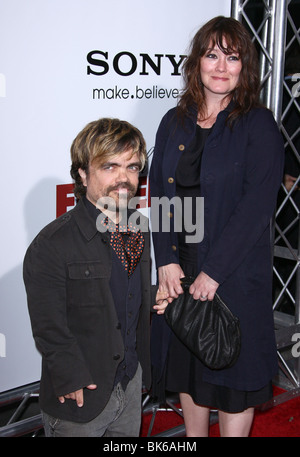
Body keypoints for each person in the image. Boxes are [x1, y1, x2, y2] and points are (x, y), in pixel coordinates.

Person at [149, 16, 285, 437]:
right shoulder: (174, 122)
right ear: (197, 63)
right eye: (212, 55)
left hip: (234, 275)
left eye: (232, 56)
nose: (221, 66)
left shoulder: (257, 125)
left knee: (232, 380)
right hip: (182, 270)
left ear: (245, 66)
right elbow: (159, 198)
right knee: (191, 371)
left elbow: (256, 208)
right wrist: (167, 262)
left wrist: (214, 273)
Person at [23, 118, 165, 437]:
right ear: (83, 174)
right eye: (109, 167)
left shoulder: (137, 226)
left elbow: (120, 292)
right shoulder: (53, 243)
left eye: (131, 167)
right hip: (81, 396)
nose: (123, 178)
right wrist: (70, 374)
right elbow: (48, 323)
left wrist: (153, 293)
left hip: (130, 384)